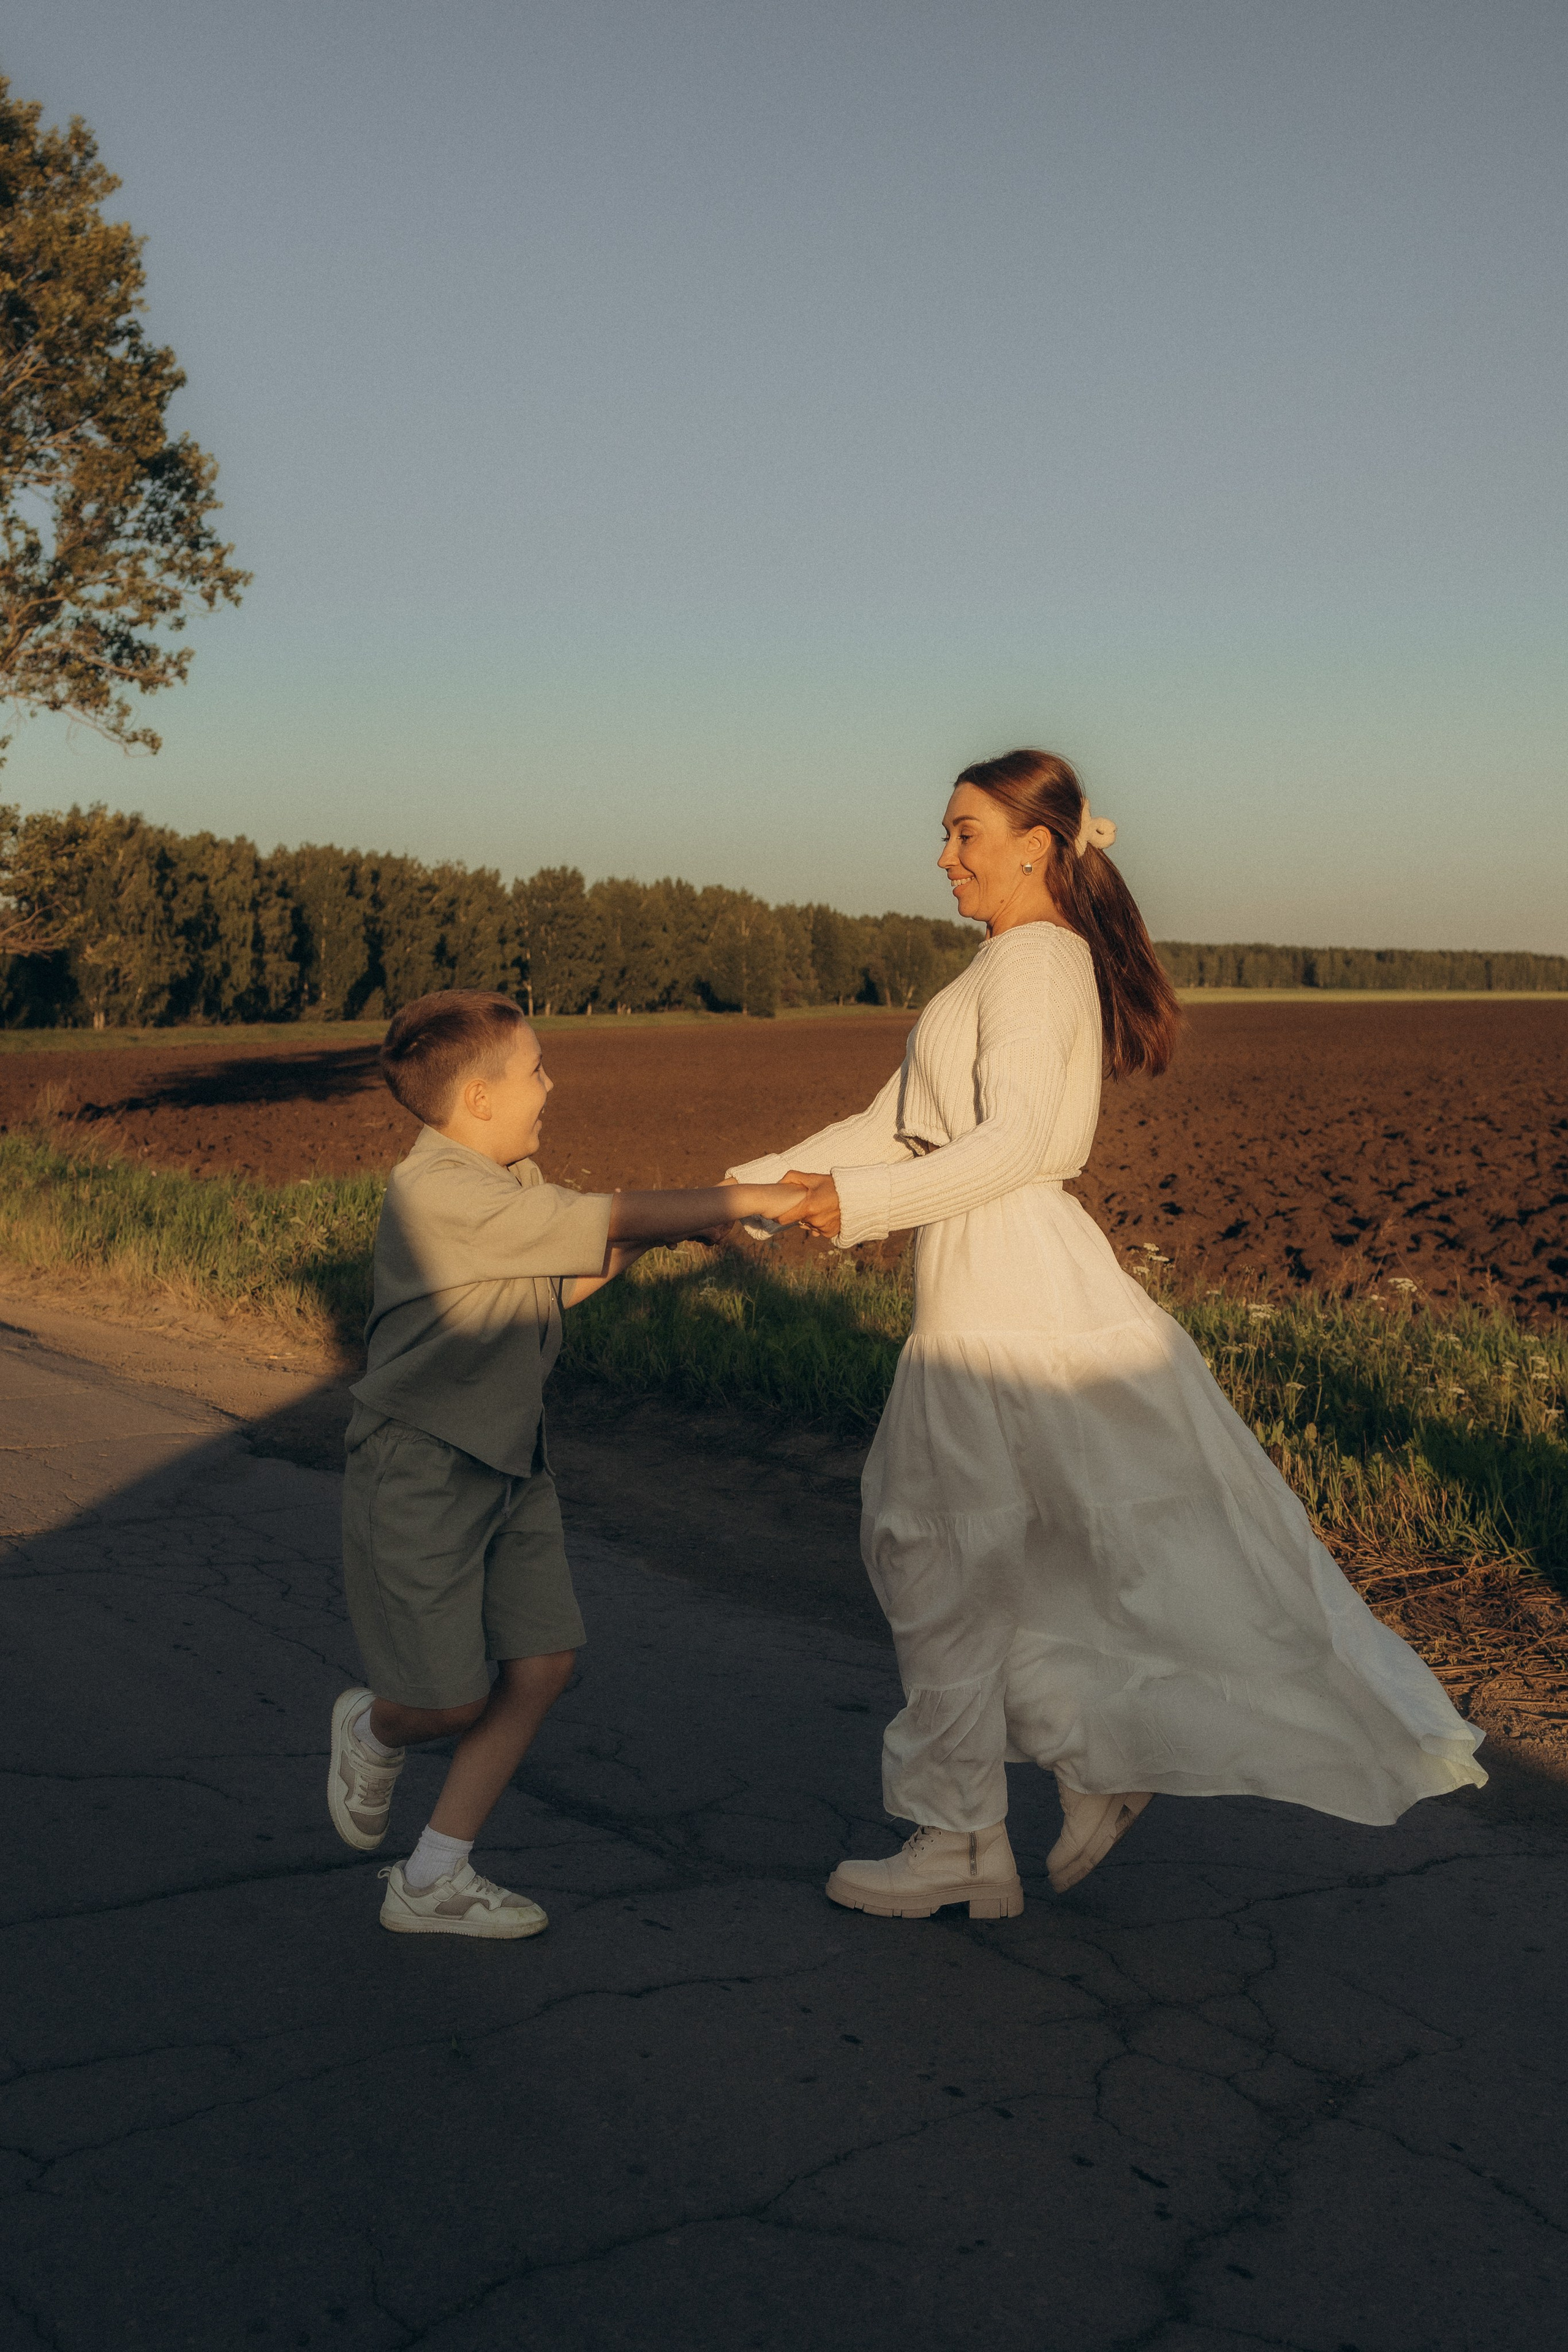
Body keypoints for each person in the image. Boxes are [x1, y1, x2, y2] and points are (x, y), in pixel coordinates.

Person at [740, 749, 1485, 1920]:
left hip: (1008, 1282)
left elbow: (1028, 1143)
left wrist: (856, 1205)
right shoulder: (999, 967)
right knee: (974, 1551)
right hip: (988, 1274)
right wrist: (727, 1200)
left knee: (934, 1546)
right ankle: (1064, 1774)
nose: (943, 856)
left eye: (963, 833)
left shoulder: (1037, 964)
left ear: (1035, 845)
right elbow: (893, 1128)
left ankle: (965, 1835)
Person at [328, 988, 804, 1938]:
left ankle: (433, 1878)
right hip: (423, 1466)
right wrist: (746, 1197)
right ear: (476, 1101)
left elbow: (568, 1278)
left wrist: (677, 1231)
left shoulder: (507, 1184)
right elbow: (608, 1212)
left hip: (508, 1459)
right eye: (536, 1068)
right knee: (447, 1701)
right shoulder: (439, 1191)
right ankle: (374, 1727)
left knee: (543, 1664)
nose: (553, 1082)